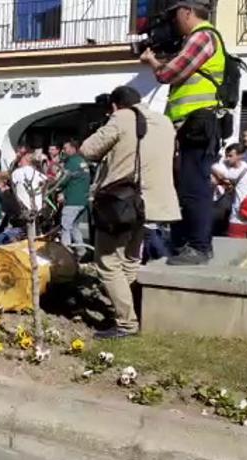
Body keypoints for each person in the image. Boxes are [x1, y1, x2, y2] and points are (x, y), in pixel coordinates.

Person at [80, 86, 181, 339]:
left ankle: (126, 323)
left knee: (107, 262)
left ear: (115, 105)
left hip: (122, 203)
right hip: (152, 204)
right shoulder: (164, 121)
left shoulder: (122, 117)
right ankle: (136, 313)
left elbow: (88, 150)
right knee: (130, 259)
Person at [140, 0, 225, 265]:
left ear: (187, 11)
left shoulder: (202, 36)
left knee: (194, 187)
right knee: (189, 185)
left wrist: (153, 61)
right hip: (193, 124)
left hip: (198, 122)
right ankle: (193, 243)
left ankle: (198, 247)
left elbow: (169, 74)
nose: (174, 21)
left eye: (175, 15)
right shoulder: (199, 39)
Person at [55, 140, 91, 258]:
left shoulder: (71, 162)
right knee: (74, 227)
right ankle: (81, 251)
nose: (63, 151)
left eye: (65, 148)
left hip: (72, 201)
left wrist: (55, 187)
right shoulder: (82, 161)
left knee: (65, 227)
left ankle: (65, 254)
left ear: (73, 149)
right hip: (83, 200)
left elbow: (63, 180)